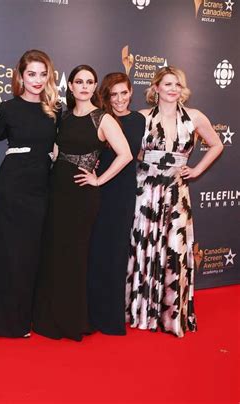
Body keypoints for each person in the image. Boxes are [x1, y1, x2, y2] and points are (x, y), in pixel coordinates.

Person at [32, 65, 132, 341]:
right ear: (71, 87)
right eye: (79, 81)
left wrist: (99, 179)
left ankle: (71, 321)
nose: (85, 86)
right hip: (57, 191)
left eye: (90, 82)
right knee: (54, 254)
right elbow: (57, 151)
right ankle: (49, 317)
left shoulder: (102, 119)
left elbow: (125, 154)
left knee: (74, 257)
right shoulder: (63, 117)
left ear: (95, 87)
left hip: (82, 196)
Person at [125, 66, 223, 337]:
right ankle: (141, 309)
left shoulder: (194, 117)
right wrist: (144, 166)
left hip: (176, 191)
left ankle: (171, 313)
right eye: (167, 83)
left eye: (177, 84)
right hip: (145, 190)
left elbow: (217, 144)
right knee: (144, 246)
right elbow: (126, 151)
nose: (173, 88)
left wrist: (197, 170)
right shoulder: (141, 118)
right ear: (155, 87)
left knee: (174, 249)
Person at [0, 50, 60, 338]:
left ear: (49, 76)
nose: (37, 80)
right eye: (31, 74)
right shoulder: (8, 108)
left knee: (31, 256)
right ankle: (0, 322)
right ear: (20, 77)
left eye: (42, 73)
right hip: (13, 188)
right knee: (7, 254)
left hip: (41, 189)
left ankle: (25, 319)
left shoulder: (54, 110)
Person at [87, 73, 145, 335]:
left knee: (116, 253)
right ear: (106, 97)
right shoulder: (100, 118)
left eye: (124, 93)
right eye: (114, 95)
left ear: (131, 91)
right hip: (97, 191)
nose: (120, 99)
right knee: (94, 251)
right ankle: (89, 313)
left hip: (122, 192)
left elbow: (139, 154)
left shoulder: (140, 120)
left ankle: (110, 317)